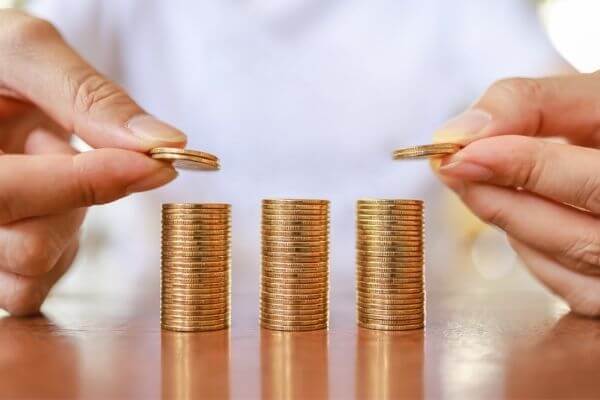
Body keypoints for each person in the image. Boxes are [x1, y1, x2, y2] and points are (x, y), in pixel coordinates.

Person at [0, 3, 565, 315]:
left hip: (399, 335)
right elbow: (27, 72)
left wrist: (573, 173)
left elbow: (558, 123)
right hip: (163, 332)